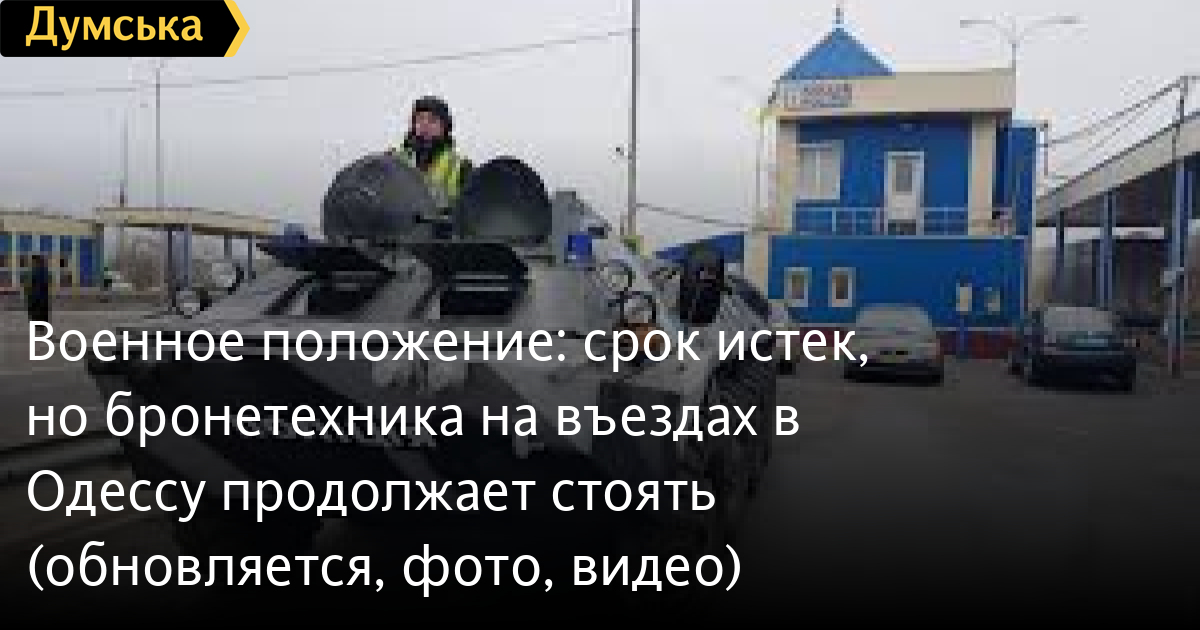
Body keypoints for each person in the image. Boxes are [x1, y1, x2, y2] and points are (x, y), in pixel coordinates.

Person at [390, 95, 472, 213]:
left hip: (440, 223)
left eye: (432, 120)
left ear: (444, 128)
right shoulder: (393, 160)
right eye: (420, 119)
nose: (425, 124)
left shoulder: (462, 167)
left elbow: (470, 210)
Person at [25, 254, 51, 327]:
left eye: (33, 261)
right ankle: (40, 325)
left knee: (38, 312)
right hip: (40, 296)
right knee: (40, 312)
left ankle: (39, 325)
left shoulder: (38, 270)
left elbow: (32, 283)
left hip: (37, 296)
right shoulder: (43, 270)